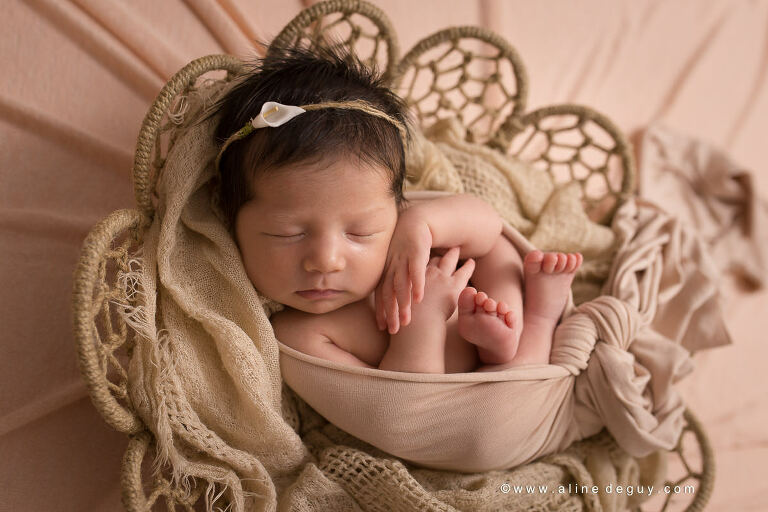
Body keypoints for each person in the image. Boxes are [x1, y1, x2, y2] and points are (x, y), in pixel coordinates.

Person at [213, 43, 582, 374]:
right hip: (466, 392)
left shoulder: (399, 235)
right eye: (288, 234)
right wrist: (421, 324)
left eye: (360, 233)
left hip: (483, 312)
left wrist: (421, 225)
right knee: (512, 380)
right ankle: (538, 322)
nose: (326, 261)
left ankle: (520, 326)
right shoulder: (300, 335)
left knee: (497, 250)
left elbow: (488, 223)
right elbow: (400, 413)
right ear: (233, 223)